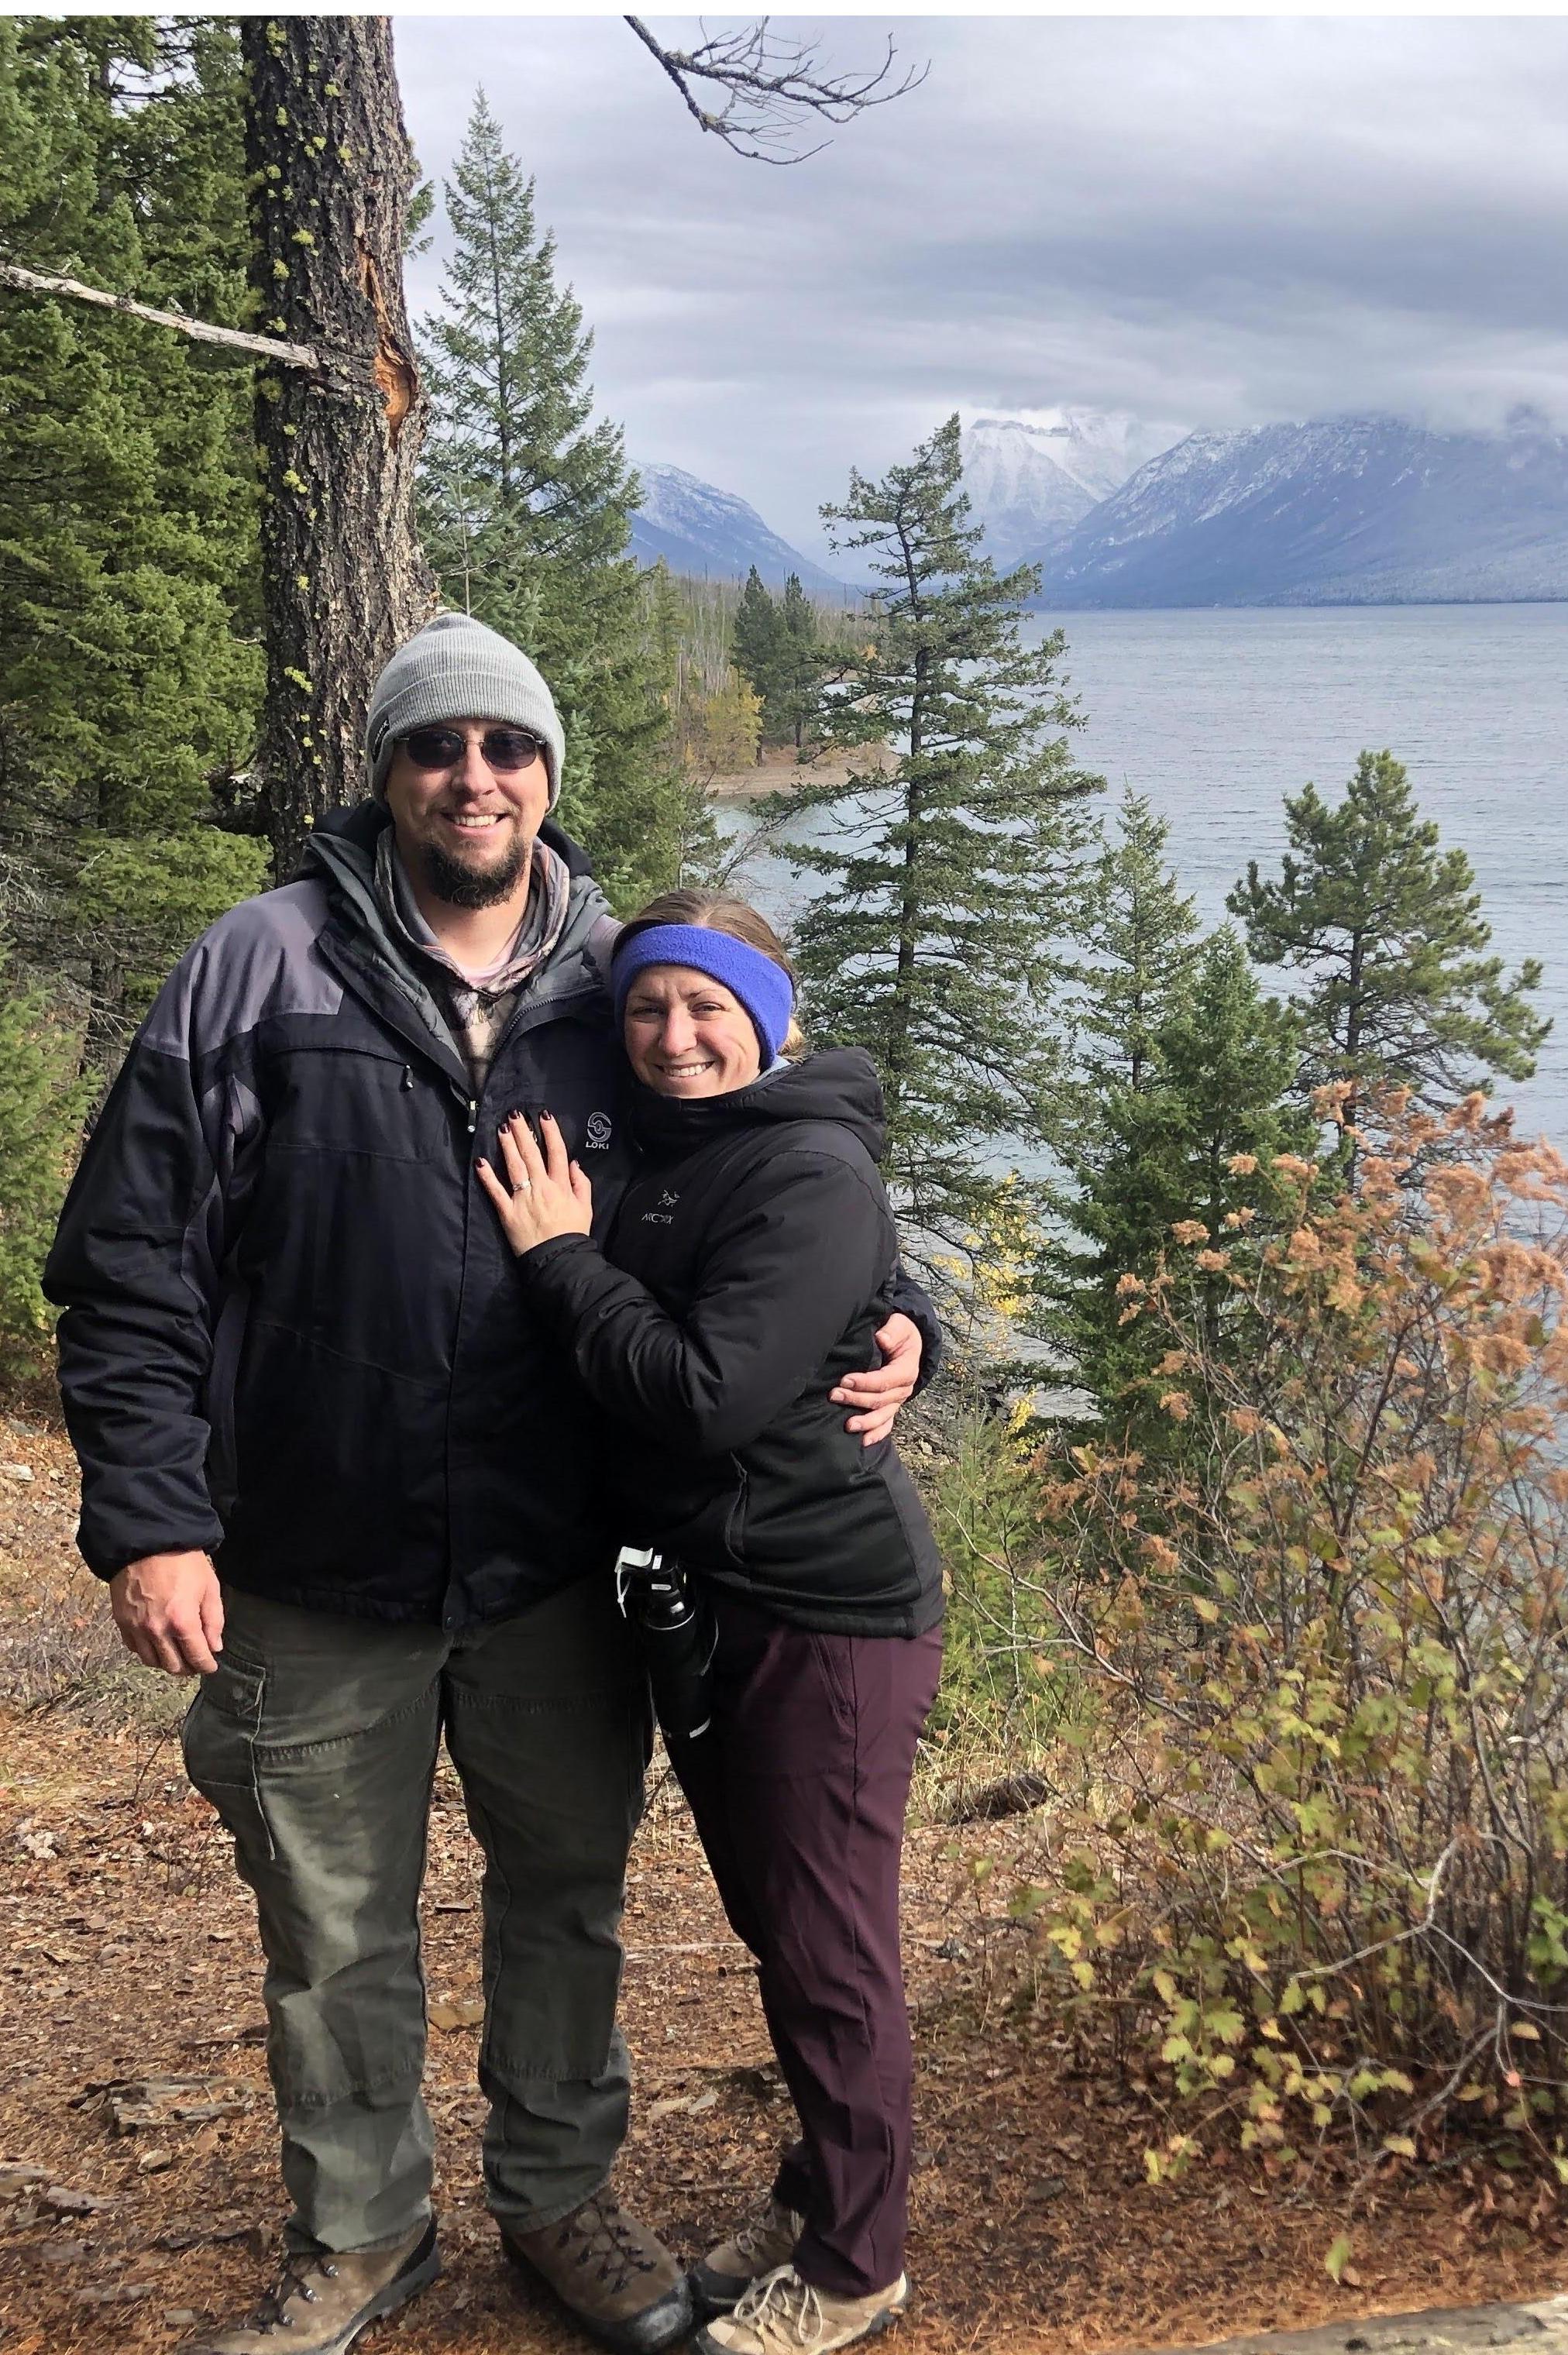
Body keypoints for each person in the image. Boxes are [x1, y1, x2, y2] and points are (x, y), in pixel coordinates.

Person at [42, 615, 935, 2355]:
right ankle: (362, 2230)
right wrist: (152, 1514)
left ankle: (558, 2195)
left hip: (554, 1555)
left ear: (547, 777)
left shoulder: (616, 986)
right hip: (310, 1544)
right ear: (384, 770)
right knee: (333, 1919)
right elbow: (129, 1263)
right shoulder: (259, 966)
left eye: (508, 748)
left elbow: (759, 1188)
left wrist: (900, 1322)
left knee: (562, 1893)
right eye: (439, 745)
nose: (476, 777)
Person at [476, 889, 944, 2355]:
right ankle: (818, 2195)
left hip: (824, 1608)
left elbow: (705, 1394)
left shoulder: (802, 1164)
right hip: (716, 1602)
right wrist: (915, 1309)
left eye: (707, 1008)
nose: (674, 1038)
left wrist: (560, 1259)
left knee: (827, 1944)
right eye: (646, 1010)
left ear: (774, 1020)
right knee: (784, 1923)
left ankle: (860, 2261)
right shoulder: (683, 1149)